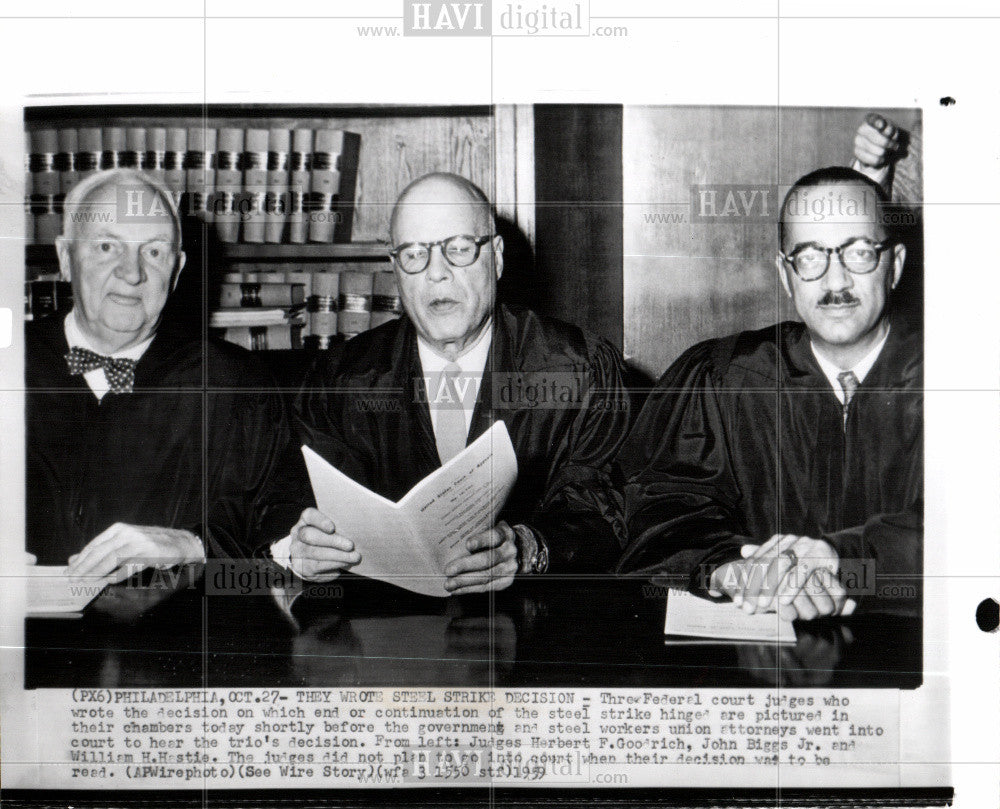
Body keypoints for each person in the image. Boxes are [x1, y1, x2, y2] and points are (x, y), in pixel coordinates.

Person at [278, 172, 631, 594]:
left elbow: (611, 510)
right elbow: (286, 503)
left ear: (496, 258)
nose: (436, 274)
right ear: (395, 270)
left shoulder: (579, 369)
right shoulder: (338, 381)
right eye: (414, 254)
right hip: (386, 636)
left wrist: (529, 546)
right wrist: (298, 550)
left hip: (536, 627)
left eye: (459, 249)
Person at [617, 166, 921, 621]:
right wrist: (729, 570)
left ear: (894, 265)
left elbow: (975, 526)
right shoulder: (725, 379)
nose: (835, 282)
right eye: (810, 256)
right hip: (760, 656)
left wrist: (843, 560)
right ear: (785, 273)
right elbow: (662, 512)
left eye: (859, 252)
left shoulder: (962, 385)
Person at [26, 168, 308, 582]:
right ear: (66, 258)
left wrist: (194, 547)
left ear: (176, 272)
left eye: (154, 252)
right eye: (107, 247)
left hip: (175, 638)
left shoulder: (237, 388)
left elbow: (285, 545)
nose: (132, 272)